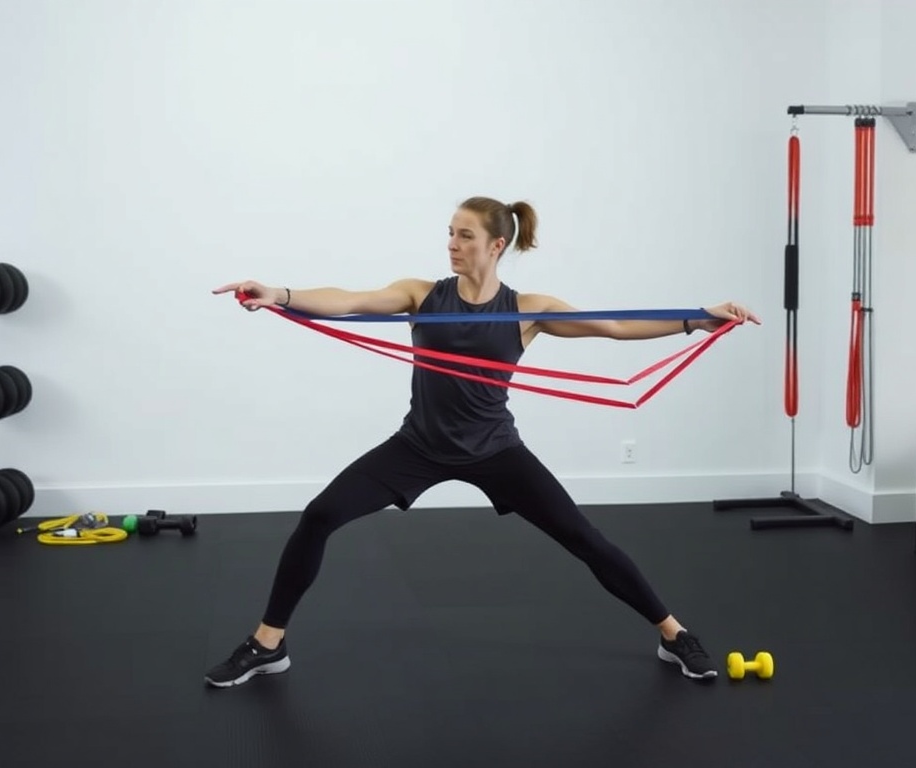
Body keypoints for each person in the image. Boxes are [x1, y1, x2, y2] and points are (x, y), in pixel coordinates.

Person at [205, 195, 760, 688]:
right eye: (450, 233)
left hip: (496, 450)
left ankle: (673, 634)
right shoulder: (421, 295)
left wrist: (699, 320)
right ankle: (268, 644)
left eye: (464, 235)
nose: (451, 244)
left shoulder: (527, 310)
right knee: (320, 515)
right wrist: (278, 293)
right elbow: (351, 299)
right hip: (418, 446)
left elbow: (614, 327)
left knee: (584, 539)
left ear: (496, 245)